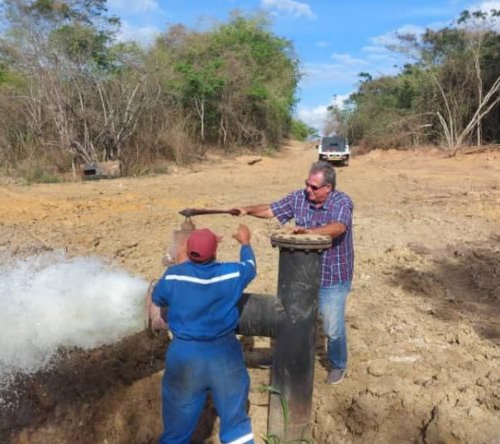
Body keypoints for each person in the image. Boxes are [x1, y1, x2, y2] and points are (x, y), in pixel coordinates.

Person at [233, 161, 354, 385]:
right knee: (295, 318)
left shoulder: (341, 201)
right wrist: (247, 210)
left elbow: (339, 227)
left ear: (328, 188)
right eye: (307, 184)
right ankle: (289, 356)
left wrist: (309, 232)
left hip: (332, 276)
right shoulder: (300, 198)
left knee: (331, 326)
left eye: (314, 187)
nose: (308, 190)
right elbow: (272, 209)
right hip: (300, 276)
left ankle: (338, 364)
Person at [152, 224, 257, 444]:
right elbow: (250, 266)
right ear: (215, 253)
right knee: (236, 425)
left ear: (187, 251)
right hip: (224, 355)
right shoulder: (230, 273)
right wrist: (245, 242)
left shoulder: (173, 276)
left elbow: (158, 298)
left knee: (176, 431)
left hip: (185, 356)